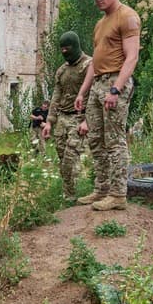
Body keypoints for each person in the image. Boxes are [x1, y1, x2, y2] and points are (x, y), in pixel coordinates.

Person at [73, 0, 140, 212]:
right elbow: (95, 61)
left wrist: (116, 89)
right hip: (98, 83)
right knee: (95, 140)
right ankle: (101, 189)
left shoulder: (127, 16)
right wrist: (83, 91)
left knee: (114, 140)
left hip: (114, 82)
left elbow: (131, 58)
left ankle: (118, 194)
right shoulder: (100, 24)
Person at [42, 32, 92, 202]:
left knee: (70, 159)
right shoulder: (61, 70)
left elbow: (94, 95)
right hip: (62, 119)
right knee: (62, 158)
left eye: (67, 48)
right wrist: (49, 122)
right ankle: (69, 196)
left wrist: (88, 120)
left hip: (79, 118)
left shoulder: (89, 66)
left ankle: (73, 196)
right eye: (61, 49)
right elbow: (56, 96)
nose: (64, 51)